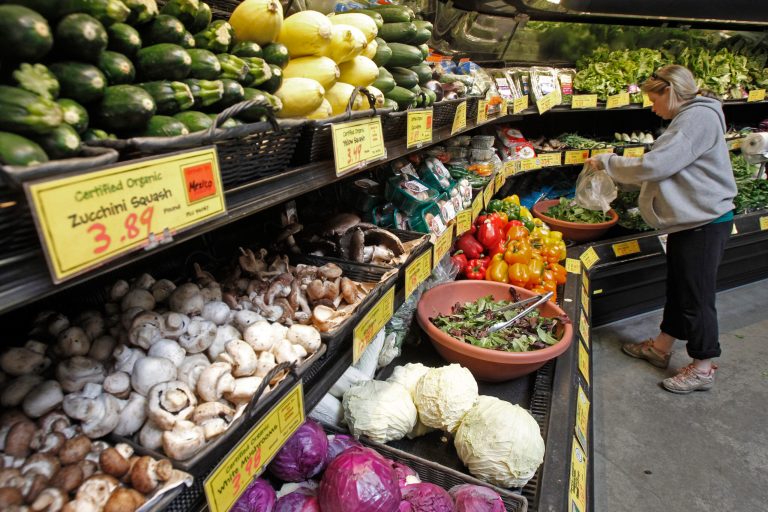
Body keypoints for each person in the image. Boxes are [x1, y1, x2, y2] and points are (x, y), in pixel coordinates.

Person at [585, 64, 737, 394]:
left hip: (706, 222)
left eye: (653, 99)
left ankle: (703, 366)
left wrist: (609, 161)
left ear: (669, 91)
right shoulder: (692, 117)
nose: (652, 107)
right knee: (681, 289)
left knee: (697, 295)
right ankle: (661, 347)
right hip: (692, 220)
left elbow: (658, 165)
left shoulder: (698, 118)